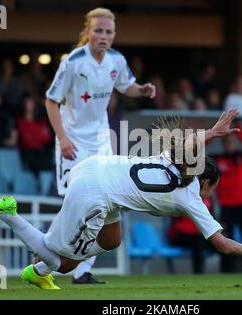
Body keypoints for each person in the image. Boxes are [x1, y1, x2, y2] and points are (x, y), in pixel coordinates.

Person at [0, 109, 242, 290]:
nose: (210, 194)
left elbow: (188, 145)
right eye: (212, 188)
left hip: (93, 171)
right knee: (59, 263)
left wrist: (212, 132)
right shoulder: (190, 196)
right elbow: (221, 244)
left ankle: (38, 271)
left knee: (113, 238)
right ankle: (10, 215)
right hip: (94, 194)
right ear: (204, 181)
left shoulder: (171, 159)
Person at [44, 7, 156, 284]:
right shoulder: (73, 62)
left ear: (114, 35)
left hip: (101, 141)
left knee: (103, 204)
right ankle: (43, 258)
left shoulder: (116, 60)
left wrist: (140, 90)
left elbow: (125, 85)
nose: (103, 36)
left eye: (108, 32)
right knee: (73, 204)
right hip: (73, 142)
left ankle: (82, 272)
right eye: (98, 31)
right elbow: (50, 100)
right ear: (88, 33)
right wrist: (62, 138)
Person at [212, 122, 242, 272]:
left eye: (232, 142)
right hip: (226, 207)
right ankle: (226, 273)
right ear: (223, 143)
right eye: (226, 142)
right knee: (225, 240)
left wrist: (238, 128)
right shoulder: (217, 159)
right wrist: (214, 133)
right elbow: (199, 152)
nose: (229, 144)